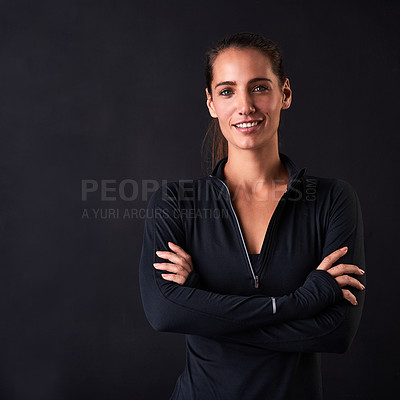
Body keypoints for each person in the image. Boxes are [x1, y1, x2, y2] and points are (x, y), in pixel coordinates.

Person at [139, 32, 366, 400]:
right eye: (227, 91)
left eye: (259, 87)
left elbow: (335, 332)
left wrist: (201, 304)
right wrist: (304, 301)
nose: (245, 106)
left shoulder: (332, 199)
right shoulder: (176, 202)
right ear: (211, 102)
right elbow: (164, 313)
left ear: (285, 94)